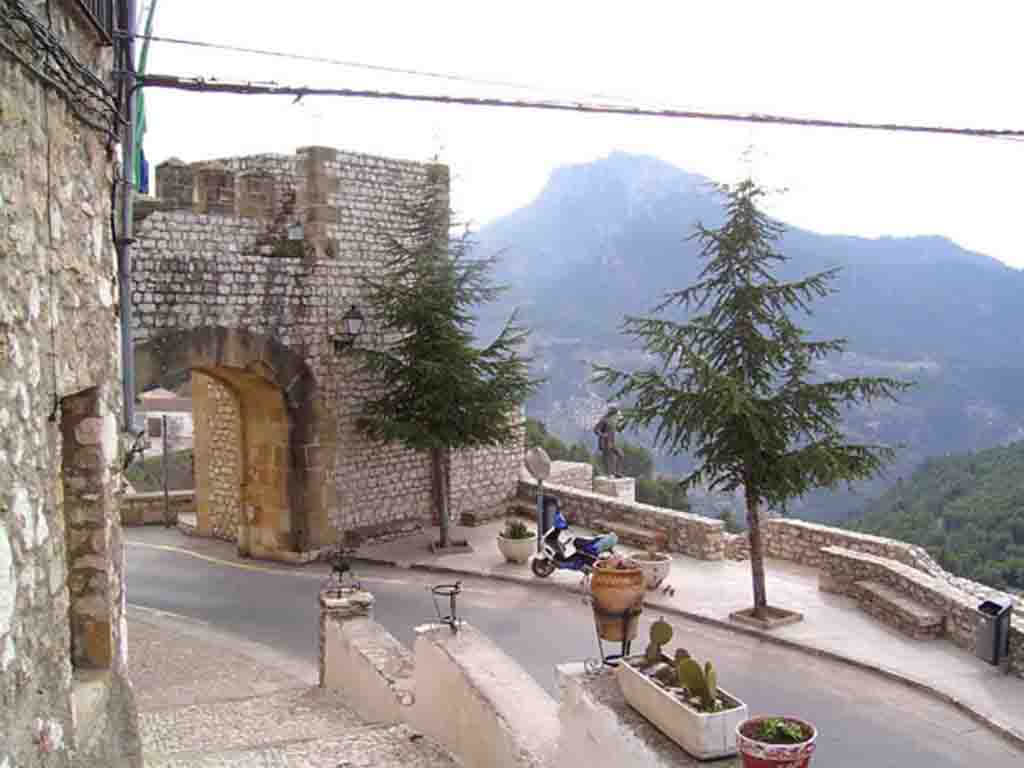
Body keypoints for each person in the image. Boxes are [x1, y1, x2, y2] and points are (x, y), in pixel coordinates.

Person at [593, 407, 624, 477]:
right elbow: (595, 430)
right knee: (610, 458)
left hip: (612, 442)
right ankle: (611, 473)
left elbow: (619, 429)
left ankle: (618, 472)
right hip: (605, 442)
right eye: (615, 414)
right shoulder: (604, 420)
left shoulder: (612, 421)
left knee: (620, 454)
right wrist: (603, 435)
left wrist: (623, 424)